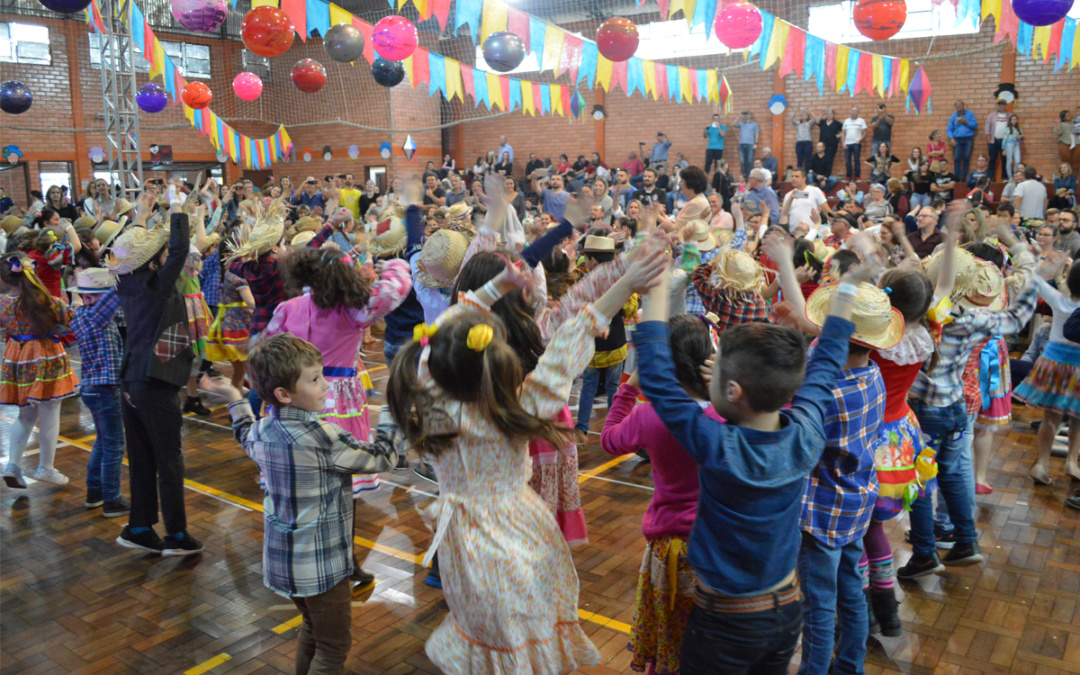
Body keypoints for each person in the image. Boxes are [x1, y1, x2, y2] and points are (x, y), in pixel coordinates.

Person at [387, 247, 665, 672]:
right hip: (515, 537)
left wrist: (495, 287)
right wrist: (626, 285)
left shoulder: (427, 394)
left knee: (488, 639)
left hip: (462, 547)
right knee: (518, 638)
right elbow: (572, 343)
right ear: (503, 376)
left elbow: (442, 332)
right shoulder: (516, 409)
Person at [633, 246, 860, 673]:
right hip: (785, 609)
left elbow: (661, 383)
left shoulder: (717, 446)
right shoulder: (805, 432)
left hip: (725, 621)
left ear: (733, 391)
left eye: (716, 371)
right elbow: (826, 362)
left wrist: (656, 286)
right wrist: (846, 295)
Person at [208, 334, 399, 675]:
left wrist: (235, 397)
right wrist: (392, 413)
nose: (326, 385)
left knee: (313, 629)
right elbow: (382, 458)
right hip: (322, 568)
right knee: (333, 646)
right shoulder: (323, 435)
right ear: (284, 394)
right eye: (314, 379)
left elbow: (242, 431)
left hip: (284, 563)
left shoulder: (263, 431)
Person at [900, 215, 1037, 577]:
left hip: (924, 411)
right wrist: (1033, 279)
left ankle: (925, 553)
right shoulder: (976, 319)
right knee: (956, 475)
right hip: (958, 407)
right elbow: (1018, 318)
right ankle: (966, 541)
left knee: (920, 477)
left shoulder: (918, 317)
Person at [600, 315, 721, 675]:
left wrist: (629, 386)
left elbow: (609, 438)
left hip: (669, 548)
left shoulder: (649, 416)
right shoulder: (729, 417)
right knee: (711, 637)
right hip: (720, 547)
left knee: (671, 636)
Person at [797, 278, 895, 675]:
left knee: (818, 607)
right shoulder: (874, 375)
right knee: (851, 591)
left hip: (821, 513)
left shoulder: (826, 394)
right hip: (857, 503)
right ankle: (850, 665)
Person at [108, 202, 202, 556]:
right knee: (170, 458)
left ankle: (139, 526)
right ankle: (176, 534)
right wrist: (179, 212)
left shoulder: (127, 282)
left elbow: (127, 248)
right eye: (160, 255)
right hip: (154, 380)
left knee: (143, 457)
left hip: (132, 380)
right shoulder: (154, 285)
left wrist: (140, 220)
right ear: (152, 262)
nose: (168, 258)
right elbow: (179, 249)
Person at [0, 252, 78, 489]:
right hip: (45, 355)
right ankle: (46, 466)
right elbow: (70, 323)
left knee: (25, 415)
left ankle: (13, 464)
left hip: (18, 356)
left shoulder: (3, 304)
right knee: (50, 413)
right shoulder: (50, 301)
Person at [1013, 256, 1080, 484]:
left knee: (1050, 417)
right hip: (1079, 366)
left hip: (1053, 362)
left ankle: (1042, 464)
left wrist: (1044, 268)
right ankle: (1072, 461)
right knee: (1077, 418)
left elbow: (1034, 281)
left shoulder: (1060, 300)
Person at [68, 267, 128, 516]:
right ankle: (112, 499)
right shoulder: (96, 315)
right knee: (114, 445)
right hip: (105, 389)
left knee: (103, 442)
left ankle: (95, 492)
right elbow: (117, 294)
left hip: (93, 388)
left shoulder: (81, 314)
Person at [574, 235, 636, 435]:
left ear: (592, 260)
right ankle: (613, 428)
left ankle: (582, 428)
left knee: (589, 387)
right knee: (613, 388)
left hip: (592, 344)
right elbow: (630, 309)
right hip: (616, 342)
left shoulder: (584, 281)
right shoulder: (620, 280)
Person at [780, 168, 828, 234]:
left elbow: (827, 211)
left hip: (812, 232)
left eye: (797, 176)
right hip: (794, 233)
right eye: (792, 176)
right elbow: (784, 216)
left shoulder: (815, 191)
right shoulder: (788, 195)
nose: (793, 178)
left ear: (804, 178)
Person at [948, 100, 978, 180]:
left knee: (966, 157)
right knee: (957, 158)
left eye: (960, 104)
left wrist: (965, 122)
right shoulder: (953, 116)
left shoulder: (970, 114)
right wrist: (951, 138)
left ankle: (964, 177)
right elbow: (949, 129)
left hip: (968, 139)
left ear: (963, 105)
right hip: (957, 139)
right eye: (956, 105)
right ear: (955, 107)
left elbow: (975, 126)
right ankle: (957, 177)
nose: (958, 106)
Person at [985, 100, 1010, 179]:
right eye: (1000, 105)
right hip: (994, 140)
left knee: (1005, 160)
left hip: (1006, 141)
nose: (1001, 106)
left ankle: (1005, 178)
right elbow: (987, 129)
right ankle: (990, 178)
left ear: (1006, 106)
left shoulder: (1010, 115)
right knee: (992, 160)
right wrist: (989, 141)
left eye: (1003, 104)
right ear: (998, 106)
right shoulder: (992, 115)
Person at [842, 106, 868, 180]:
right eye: (853, 110)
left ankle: (857, 176)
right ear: (850, 112)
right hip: (847, 144)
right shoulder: (846, 121)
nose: (854, 112)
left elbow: (865, 133)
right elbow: (843, 133)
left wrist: (859, 140)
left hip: (856, 144)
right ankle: (848, 177)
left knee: (857, 160)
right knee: (847, 161)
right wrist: (843, 143)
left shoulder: (861, 121)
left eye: (856, 111)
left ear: (858, 112)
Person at [818, 108, 843, 177]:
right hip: (822, 145)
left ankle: (827, 175)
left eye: (830, 113)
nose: (829, 115)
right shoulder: (822, 122)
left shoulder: (836, 123)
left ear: (833, 115)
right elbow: (817, 121)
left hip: (832, 145)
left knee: (829, 160)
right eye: (828, 113)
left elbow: (844, 129)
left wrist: (839, 135)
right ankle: (821, 175)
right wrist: (822, 114)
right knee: (821, 159)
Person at [1055, 109, 1080, 177]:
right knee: (1065, 161)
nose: (1070, 116)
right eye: (1067, 115)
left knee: (1076, 161)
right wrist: (1058, 123)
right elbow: (1058, 132)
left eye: (1070, 114)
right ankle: (1065, 177)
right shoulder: (1061, 124)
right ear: (1063, 117)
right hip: (1064, 143)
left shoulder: (1076, 122)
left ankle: (1074, 178)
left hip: (1077, 143)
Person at [735, 111, 760, 178]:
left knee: (749, 161)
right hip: (742, 144)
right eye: (745, 115)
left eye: (748, 114)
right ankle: (743, 177)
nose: (746, 116)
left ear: (750, 115)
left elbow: (757, 133)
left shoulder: (754, 124)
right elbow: (733, 124)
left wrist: (756, 143)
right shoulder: (742, 123)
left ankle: (750, 176)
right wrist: (739, 116)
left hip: (750, 144)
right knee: (742, 161)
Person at [792, 108, 816, 172]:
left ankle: (807, 173)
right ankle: (799, 173)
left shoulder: (809, 123)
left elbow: (816, 119)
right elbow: (791, 119)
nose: (804, 116)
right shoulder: (798, 123)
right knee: (799, 158)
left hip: (808, 142)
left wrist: (811, 112)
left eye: (805, 115)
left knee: (807, 159)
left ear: (807, 116)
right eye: (802, 115)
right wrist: (795, 112)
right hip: (799, 142)